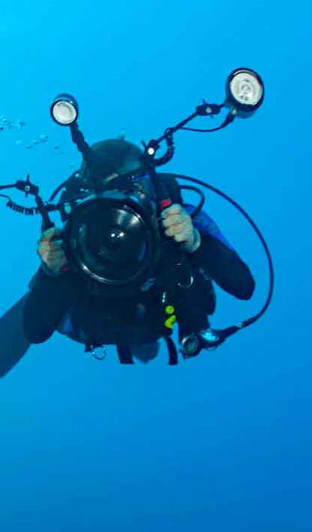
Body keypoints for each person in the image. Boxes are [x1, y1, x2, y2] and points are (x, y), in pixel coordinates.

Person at [17, 139, 255, 365]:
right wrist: (50, 271)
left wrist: (196, 242)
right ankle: (40, 289)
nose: (123, 201)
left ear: (150, 185)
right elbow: (36, 331)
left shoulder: (179, 218)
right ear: (88, 196)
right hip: (101, 322)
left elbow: (244, 286)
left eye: (130, 188)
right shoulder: (78, 234)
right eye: (109, 191)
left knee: (151, 341)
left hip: (158, 314)